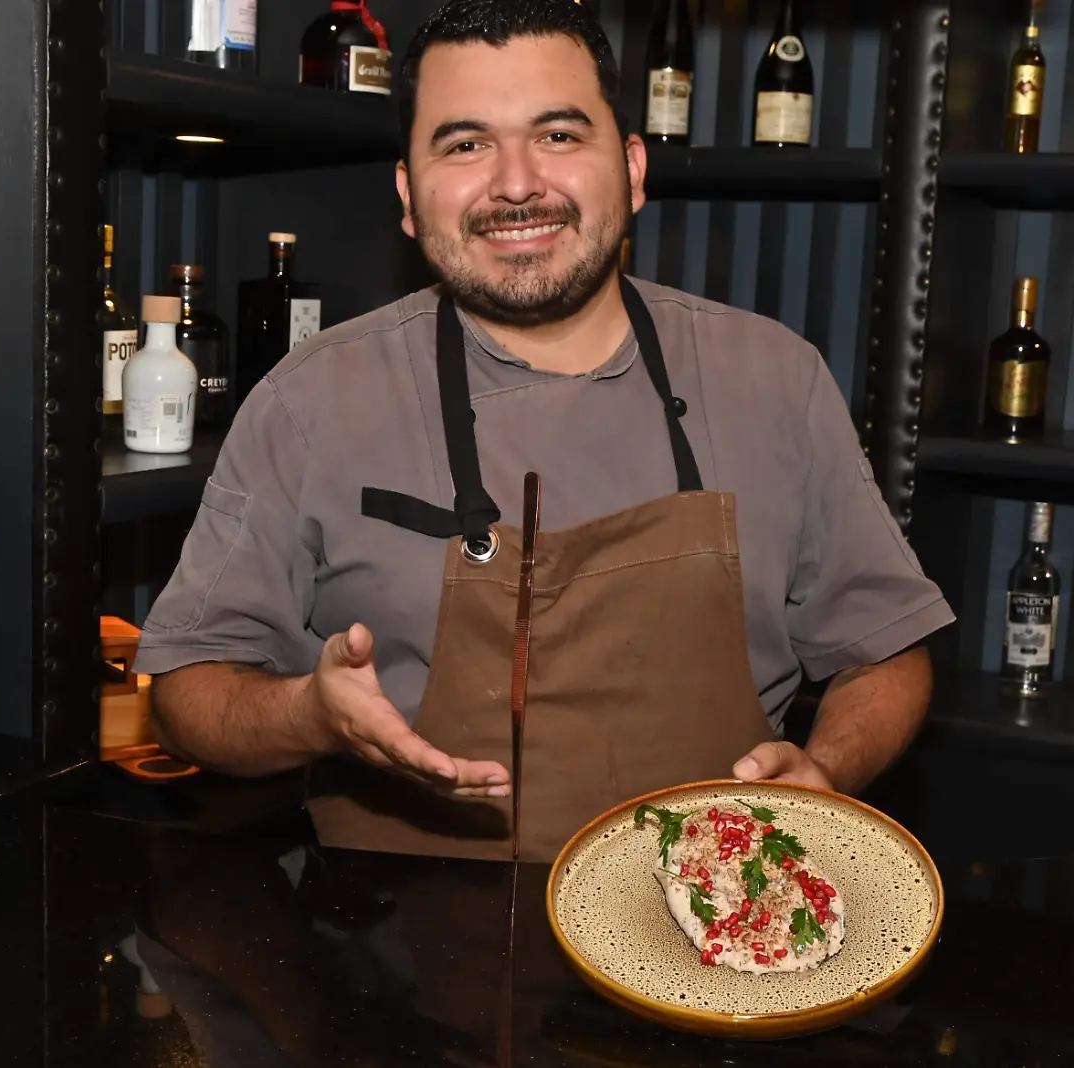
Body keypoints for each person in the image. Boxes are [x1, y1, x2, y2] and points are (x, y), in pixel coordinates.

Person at [132, 0, 954, 861]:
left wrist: (827, 770)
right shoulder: (309, 402)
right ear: (409, 196)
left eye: (559, 135)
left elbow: (887, 651)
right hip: (393, 951)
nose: (516, 182)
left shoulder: (776, 379)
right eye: (465, 143)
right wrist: (312, 716)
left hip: (707, 937)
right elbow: (187, 696)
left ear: (633, 170)